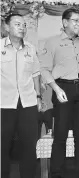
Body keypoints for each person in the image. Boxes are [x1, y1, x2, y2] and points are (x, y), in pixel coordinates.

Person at [40, 8, 79, 178]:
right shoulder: (52, 42)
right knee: (61, 133)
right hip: (62, 88)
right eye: (76, 21)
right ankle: (56, 172)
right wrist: (56, 89)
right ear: (65, 22)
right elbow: (44, 69)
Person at [1, 13, 42, 178]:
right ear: (6, 27)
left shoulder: (30, 49)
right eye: (17, 24)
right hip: (4, 104)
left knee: (29, 146)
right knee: (2, 146)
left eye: (24, 25)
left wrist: (38, 97)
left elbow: (36, 74)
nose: (22, 28)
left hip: (28, 103)